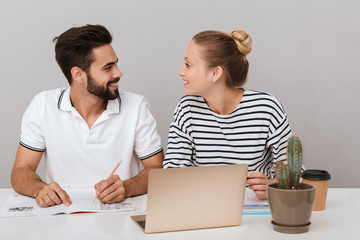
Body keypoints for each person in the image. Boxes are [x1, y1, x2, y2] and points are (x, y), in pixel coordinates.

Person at [11, 24, 164, 207]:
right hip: (60, 216)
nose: (118, 73)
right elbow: (21, 171)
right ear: (78, 75)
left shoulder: (136, 106)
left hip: (119, 219)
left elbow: (158, 168)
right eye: (108, 68)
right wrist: (39, 189)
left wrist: (127, 187)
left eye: (116, 63)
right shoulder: (43, 105)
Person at [163, 29, 292, 200]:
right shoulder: (186, 108)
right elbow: (172, 175)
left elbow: (294, 172)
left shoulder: (267, 107)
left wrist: (272, 185)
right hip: (204, 207)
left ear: (215, 73)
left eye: (188, 64)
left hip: (255, 211)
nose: (181, 71)